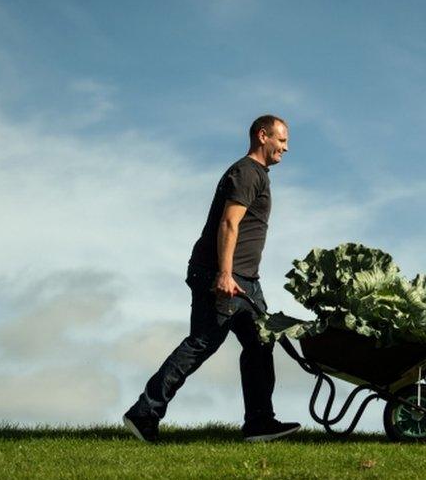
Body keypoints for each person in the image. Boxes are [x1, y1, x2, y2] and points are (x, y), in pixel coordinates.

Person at [123, 115, 299, 443]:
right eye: (282, 140)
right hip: (225, 277)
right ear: (263, 136)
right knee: (203, 342)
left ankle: (260, 421)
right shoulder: (247, 173)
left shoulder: (257, 174)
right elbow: (229, 224)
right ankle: (144, 412)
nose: (286, 148)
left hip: (246, 280)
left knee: (260, 343)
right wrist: (224, 273)